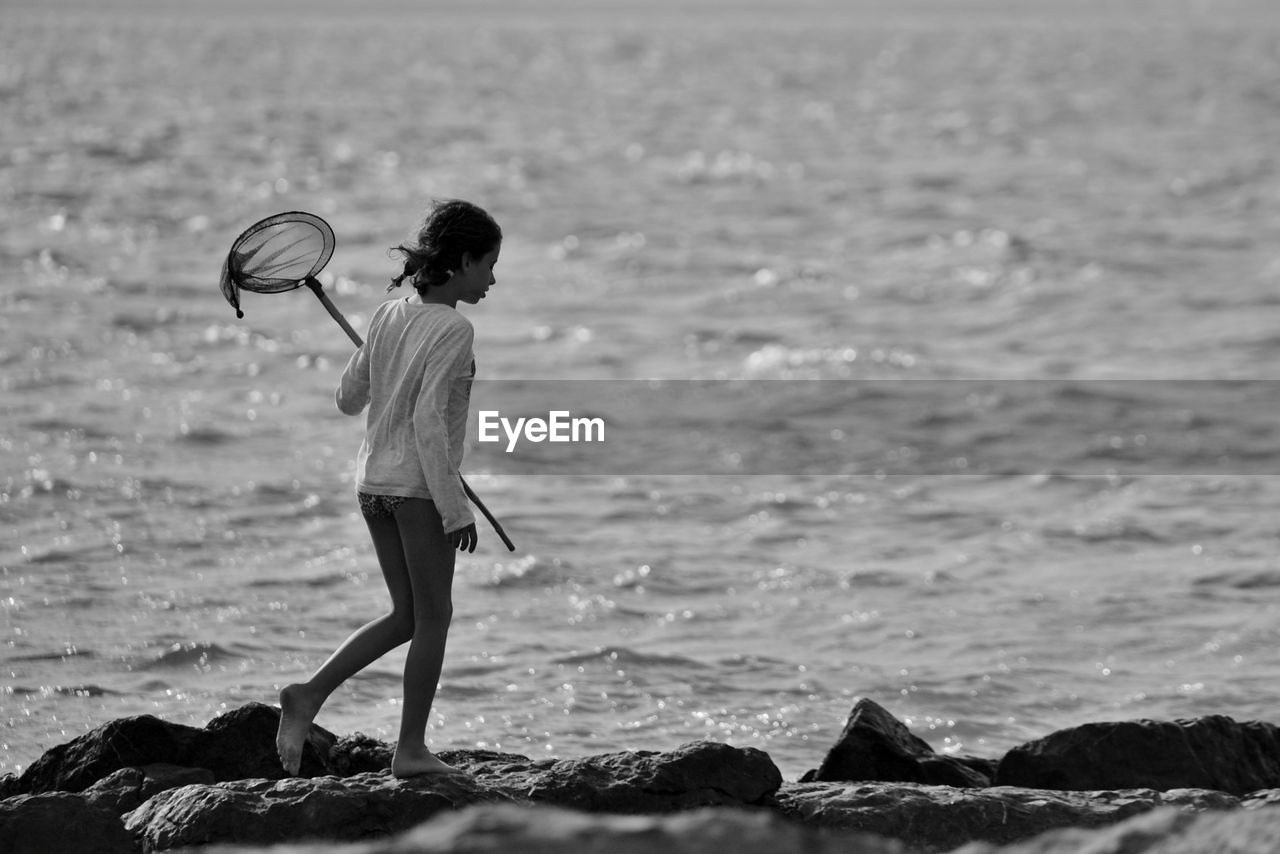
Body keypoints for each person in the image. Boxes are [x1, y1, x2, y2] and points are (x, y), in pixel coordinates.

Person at [275, 199, 502, 777]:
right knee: (435, 617)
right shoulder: (454, 327)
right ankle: (410, 751)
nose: (493, 279)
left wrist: (381, 359)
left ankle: (308, 695)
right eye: (489, 265)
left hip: (373, 484)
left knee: (406, 616)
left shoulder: (388, 316)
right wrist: (455, 512)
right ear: (463, 261)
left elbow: (348, 399)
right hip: (418, 491)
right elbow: (429, 422)